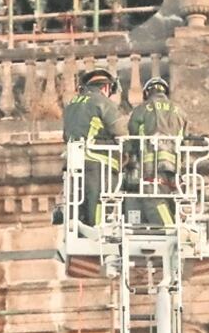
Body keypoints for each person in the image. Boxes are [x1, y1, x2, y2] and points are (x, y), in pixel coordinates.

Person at [61, 69, 123, 226]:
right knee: (99, 204)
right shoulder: (103, 102)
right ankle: (97, 231)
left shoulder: (71, 104)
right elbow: (121, 131)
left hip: (74, 164)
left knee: (78, 206)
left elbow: (65, 134)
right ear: (106, 87)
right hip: (98, 163)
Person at [126, 77, 186, 227]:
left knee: (153, 199)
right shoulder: (179, 111)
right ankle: (174, 225)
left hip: (151, 165)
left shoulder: (140, 110)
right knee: (170, 200)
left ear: (147, 93)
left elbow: (133, 138)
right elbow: (185, 140)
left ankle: (170, 228)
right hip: (174, 166)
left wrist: (132, 158)